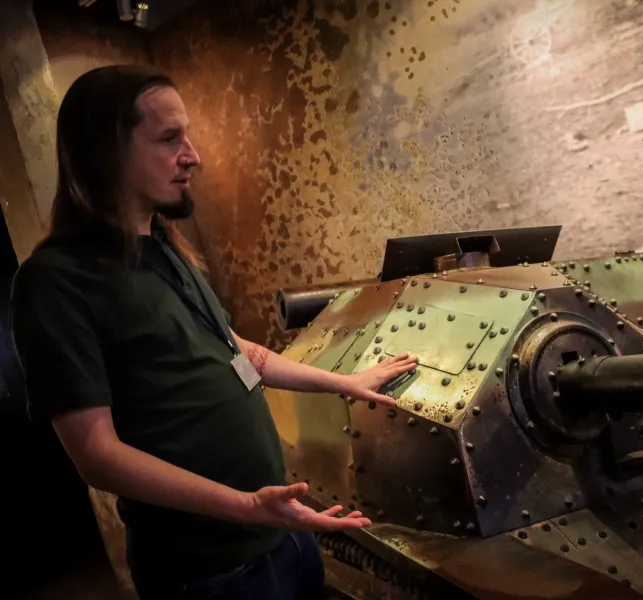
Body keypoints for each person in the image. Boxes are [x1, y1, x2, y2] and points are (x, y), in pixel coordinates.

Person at [9, 64, 417, 600]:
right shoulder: (56, 280)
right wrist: (246, 506)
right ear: (106, 150)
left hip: (280, 538)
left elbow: (235, 351)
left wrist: (345, 380)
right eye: (169, 138)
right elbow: (98, 456)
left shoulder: (165, 248)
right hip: (207, 572)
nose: (193, 155)